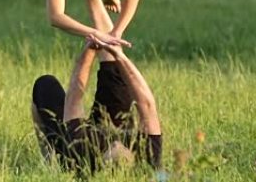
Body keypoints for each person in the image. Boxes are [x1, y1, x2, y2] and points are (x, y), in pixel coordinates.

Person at [30, 36, 162, 174]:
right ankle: (109, 43)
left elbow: (74, 97)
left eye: (113, 152)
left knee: (45, 86)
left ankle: (49, 159)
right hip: (116, 124)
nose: (116, 144)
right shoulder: (147, 161)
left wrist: (89, 51)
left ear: (101, 159)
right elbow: (146, 104)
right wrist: (120, 57)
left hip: (74, 144)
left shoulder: (79, 152)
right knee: (115, 72)